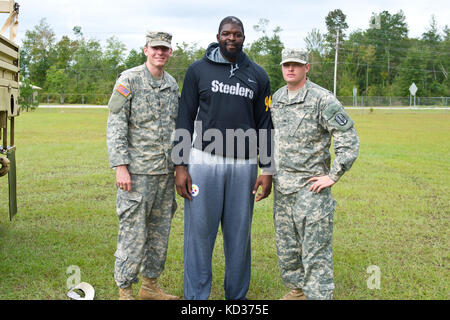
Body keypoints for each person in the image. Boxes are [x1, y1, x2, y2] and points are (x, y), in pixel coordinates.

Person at [174, 16, 273, 300]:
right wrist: (180, 165)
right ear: (217, 36)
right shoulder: (197, 71)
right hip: (204, 161)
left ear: (244, 37)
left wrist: (267, 169)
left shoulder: (258, 75)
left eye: (237, 34)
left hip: (243, 166)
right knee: (199, 236)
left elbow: (265, 124)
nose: (232, 38)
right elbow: (184, 117)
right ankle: (196, 298)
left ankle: (236, 297)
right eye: (227, 34)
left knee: (239, 236)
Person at [270, 49, 360, 300]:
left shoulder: (322, 99)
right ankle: (297, 292)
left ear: (306, 68)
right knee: (288, 249)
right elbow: (270, 138)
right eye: (286, 64)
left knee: (315, 252)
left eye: (296, 65)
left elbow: (348, 137)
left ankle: (319, 296)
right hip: (283, 188)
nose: (291, 69)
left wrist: (333, 175)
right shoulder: (277, 98)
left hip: (311, 190)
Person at [106, 31, 180, 300]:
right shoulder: (129, 79)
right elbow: (115, 123)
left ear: (170, 53)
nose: (160, 52)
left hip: (165, 174)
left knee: (159, 236)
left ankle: (150, 286)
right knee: (133, 235)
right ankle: (125, 290)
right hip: (136, 174)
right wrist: (120, 166)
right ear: (146, 50)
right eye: (155, 48)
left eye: (165, 49)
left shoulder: (172, 84)